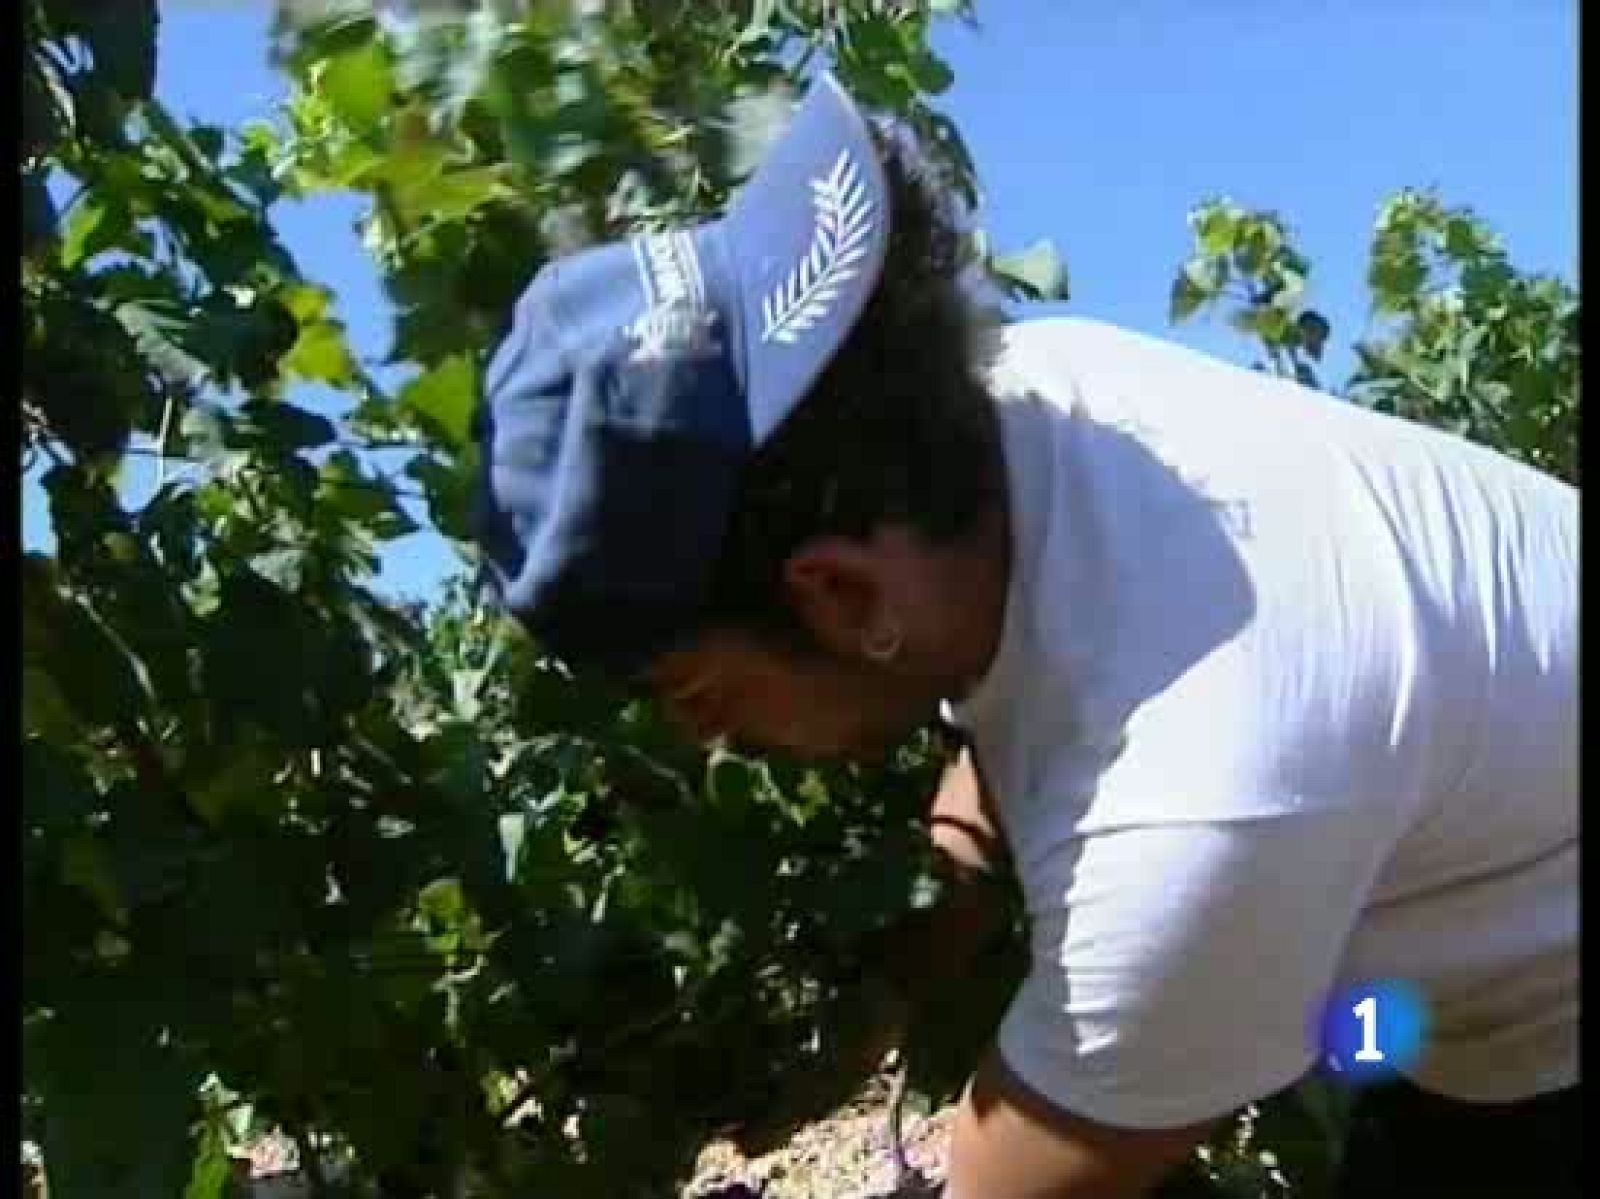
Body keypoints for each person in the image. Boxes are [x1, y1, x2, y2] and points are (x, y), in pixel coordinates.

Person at [472, 73, 1578, 1198]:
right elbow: (1008, 713)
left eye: (693, 689)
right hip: (1479, 985)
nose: (705, 736)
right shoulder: (1039, 411)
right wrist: (904, 968)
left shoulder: (1194, 804)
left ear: (846, 598)